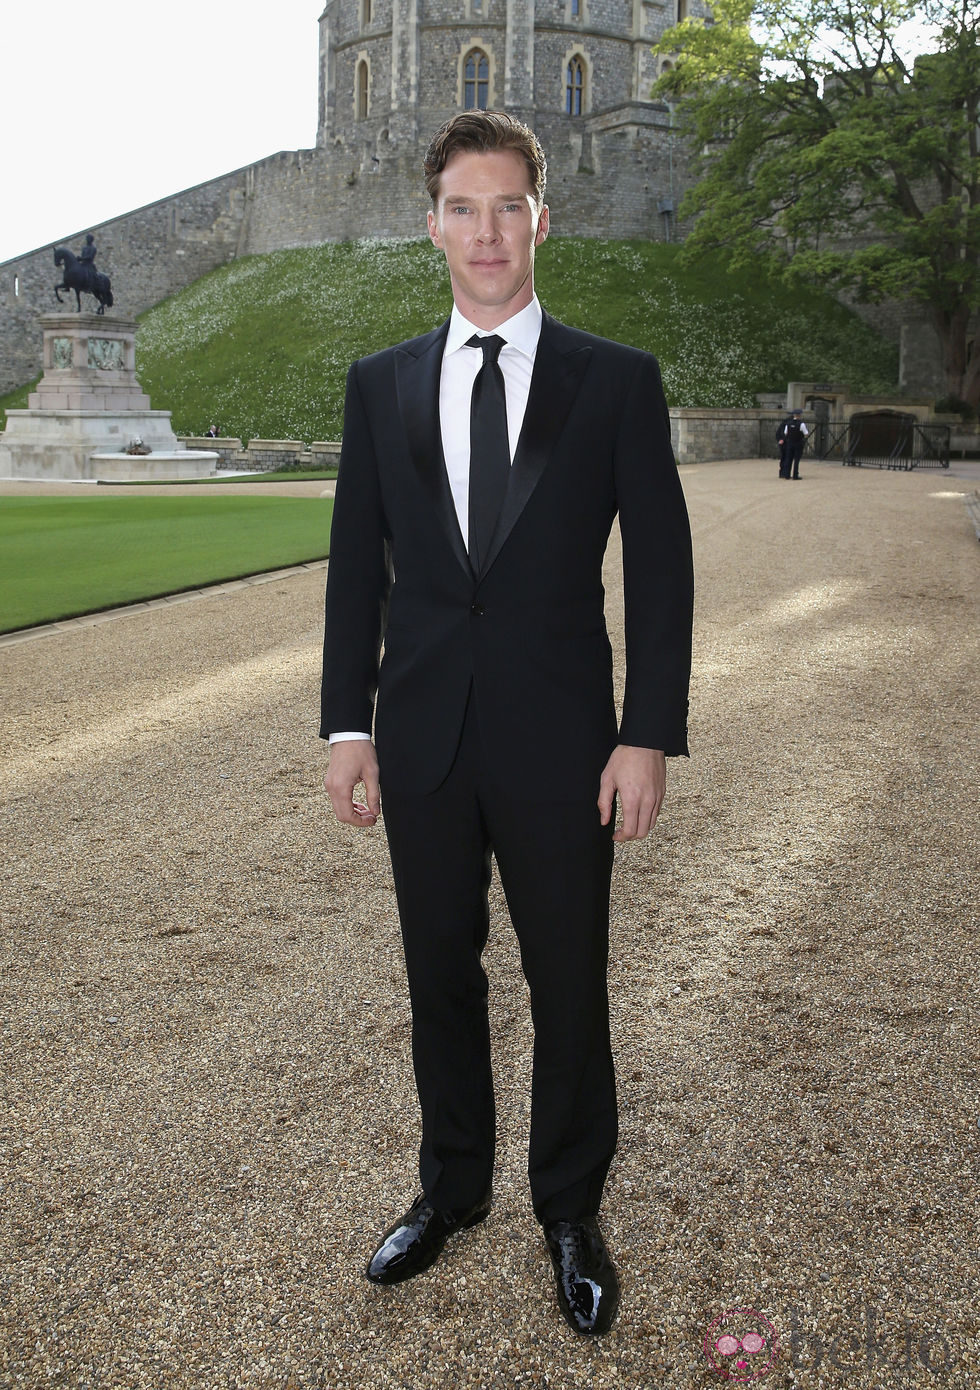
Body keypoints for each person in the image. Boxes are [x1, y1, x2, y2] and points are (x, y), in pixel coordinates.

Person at [320, 110, 694, 1337]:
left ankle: (571, 1207)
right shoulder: (377, 385)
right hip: (420, 735)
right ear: (430, 223)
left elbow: (662, 569)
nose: (486, 233)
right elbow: (351, 574)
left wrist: (645, 732)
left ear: (545, 216)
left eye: (506, 207)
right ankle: (451, 1188)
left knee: (566, 979)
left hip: (561, 740)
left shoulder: (618, 378)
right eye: (462, 208)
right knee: (438, 977)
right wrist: (346, 724)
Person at [777, 407, 809, 479]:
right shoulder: (801, 424)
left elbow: (785, 433)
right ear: (800, 415)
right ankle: (795, 475)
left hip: (790, 443)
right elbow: (806, 433)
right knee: (796, 460)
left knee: (789, 459)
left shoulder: (788, 424)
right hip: (798, 443)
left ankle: (787, 475)